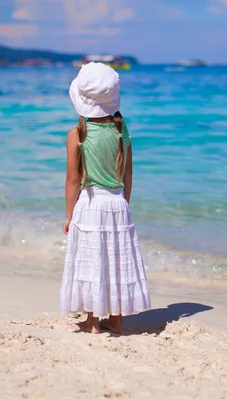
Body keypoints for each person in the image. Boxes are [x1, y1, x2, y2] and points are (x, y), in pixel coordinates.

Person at [60, 62, 151, 334]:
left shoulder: (77, 134)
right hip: (117, 203)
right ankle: (117, 319)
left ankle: (91, 322)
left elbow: (72, 179)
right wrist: (124, 204)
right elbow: (128, 176)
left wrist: (68, 215)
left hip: (90, 204)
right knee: (115, 262)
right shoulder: (122, 132)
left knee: (92, 261)